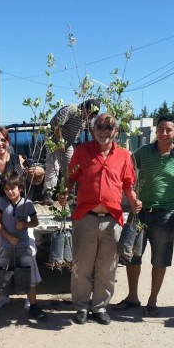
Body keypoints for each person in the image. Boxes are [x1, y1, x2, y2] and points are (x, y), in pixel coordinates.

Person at [58, 113, 141, 325]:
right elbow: (72, 177)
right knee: (82, 265)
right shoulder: (82, 151)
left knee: (108, 266)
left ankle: (100, 306)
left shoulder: (123, 155)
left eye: (109, 127)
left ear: (116, 131)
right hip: (86, 217)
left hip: (112, 219)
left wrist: (134, 201)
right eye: (100, 126)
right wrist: (64, 192)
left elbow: (127, 184)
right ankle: (82, 306)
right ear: (93, 130)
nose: (104, 130)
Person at [114, 115, 174, 317]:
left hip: (165, 217)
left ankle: (152, 300)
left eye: (168, 130)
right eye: (160, 129)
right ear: (156, 131)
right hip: (139, 214)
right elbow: (128, 171)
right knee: (134, 257)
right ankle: (133, 297)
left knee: (160, 260)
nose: (164, 133)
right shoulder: (144, 152)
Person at [0, 126, 44, 309]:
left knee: (28, 254)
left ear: (8, 142)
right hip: (0, 217)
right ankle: (4, 294)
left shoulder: (18, 159)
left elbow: (35, 178)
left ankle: (30, 295)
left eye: (3, 140)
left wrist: (40, 173)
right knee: (2, 257)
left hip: (21, 214)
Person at [0, 172, 48, 323]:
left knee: (28, 276)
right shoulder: (2, 202)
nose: (10, 192)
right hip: (7, 246)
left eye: (13, 188)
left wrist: (25, 224)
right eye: (7, 189)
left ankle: (34, 306)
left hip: (23, 246)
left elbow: (35, 222)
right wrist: (8, 236)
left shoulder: (27, 204)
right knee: (0, 276)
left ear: (21, 188)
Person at [42, 99, 100, 205]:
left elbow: (92, 130)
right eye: (90, 113)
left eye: (93, 115)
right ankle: (48, 194)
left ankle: (67, 193)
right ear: (84, 108)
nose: (91, 117)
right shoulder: (70, 110)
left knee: (72, 167)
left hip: (68, 142)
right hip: (53, 139)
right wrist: (60, 143)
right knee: (53, 166)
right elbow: (57, 127)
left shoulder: (89, 117)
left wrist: (98, 144)